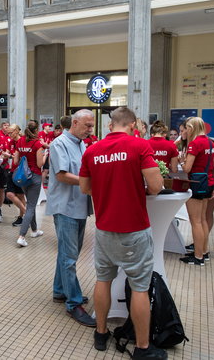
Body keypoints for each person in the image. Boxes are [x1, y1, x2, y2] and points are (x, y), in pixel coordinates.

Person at [79, 107, 165, 359]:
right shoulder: (139, 146)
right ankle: (142, 348)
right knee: (139, 287)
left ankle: (101, 333)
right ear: (132, 125)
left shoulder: (92, 150)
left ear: (110, 125)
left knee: (103, 280)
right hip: (134, 229)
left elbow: (85, 188)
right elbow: (157, 187)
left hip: (104, 229)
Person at [47, 109, 96, 327]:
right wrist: (91, 183)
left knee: (68, 253)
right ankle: (73, 303)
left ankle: (60, 291)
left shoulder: (81, 144)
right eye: (87, 125)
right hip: (65, 207)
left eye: (91, 125)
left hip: (79, 205)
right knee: (69, 257)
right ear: (74, 123)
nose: (90, 129)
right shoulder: (59, 144)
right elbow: (61, 175)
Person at [179, 117, 214, 266]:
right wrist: (212, 185)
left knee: (195, 221)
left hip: (196, 184)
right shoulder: (210, 142)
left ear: (193, 128)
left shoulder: (195, 144)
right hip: (207, 183)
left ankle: (198, 256)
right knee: (202, 220)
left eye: (188, 128)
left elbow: (187, 169)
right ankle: (203, 251)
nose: (187, 131)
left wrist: (183, 161)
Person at [14, 121, 45, 247]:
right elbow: (39, 164)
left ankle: (34, 230)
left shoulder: (19, 142)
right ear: (36, 130)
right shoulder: (38, 144)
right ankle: (21, 236)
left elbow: (16, 161)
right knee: (31, 207)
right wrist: (45, 156)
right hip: (34, 177)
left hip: (23, 178)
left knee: (30, 203)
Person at [4, 124, 26, 227]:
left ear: (17, 131)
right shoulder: (11, 142)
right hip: (12, 171)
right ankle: (27, 214)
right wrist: (4, 153)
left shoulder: (23, 141)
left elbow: (24, 158)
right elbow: (7, 153)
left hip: (20, 172)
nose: (9, 135)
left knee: (21, 195)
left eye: (11, 132)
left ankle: (22, 217)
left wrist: (13, 156)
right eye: (8, 133)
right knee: (9, 194)